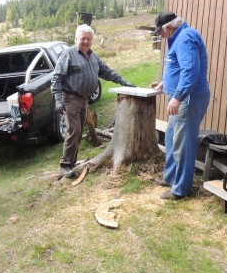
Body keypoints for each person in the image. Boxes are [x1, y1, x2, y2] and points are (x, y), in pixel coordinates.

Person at [51, 24, 135, 178]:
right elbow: (56, 77)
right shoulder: (68, 54)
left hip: (84, 100)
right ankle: (65, 165)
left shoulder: (93, 56)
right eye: (83, 38)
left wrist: (124, 82)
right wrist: (58, 99)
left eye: (88, 39)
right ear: (76, 38)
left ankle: (72, 162)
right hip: (70, 98)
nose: (86, 41)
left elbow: (107, 72)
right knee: (74, 131)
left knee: (78, 131)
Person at [152, 11, 210, 200]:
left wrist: (178, 96)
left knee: (183, 144)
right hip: (182, 97)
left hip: (188, 98)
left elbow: (191, 70)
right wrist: (164, 82)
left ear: (169, 27)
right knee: (171, 138)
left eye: (161, 32)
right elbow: (177, 66)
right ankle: (170, 178)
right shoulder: (177, 37)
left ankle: (181, 189)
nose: (161, 36)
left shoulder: (185, 38)